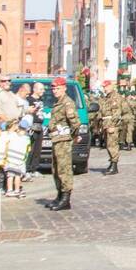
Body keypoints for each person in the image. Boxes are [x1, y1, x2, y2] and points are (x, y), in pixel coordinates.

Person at [47, 76, 81, 211]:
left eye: (58, 88)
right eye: (54, 88)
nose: (55, 91)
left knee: (64, 169)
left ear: (64, 88)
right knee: (55, 169)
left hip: (63, 141)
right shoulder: (58, 103)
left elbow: (75, 123)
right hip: (56, 140)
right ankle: (59, 195)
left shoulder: (67, 103)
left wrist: (72, 137)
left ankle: (66, 199)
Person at [5, 116, 31, 197]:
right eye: (21, 129)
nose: (22, 132)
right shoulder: (14, 136)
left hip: (17, 160)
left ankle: (16, 190)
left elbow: (28, 149)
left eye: (24, 130)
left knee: (17, 176)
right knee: (11, 176)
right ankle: (10, 190)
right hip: (12, 159)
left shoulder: (25, 138)